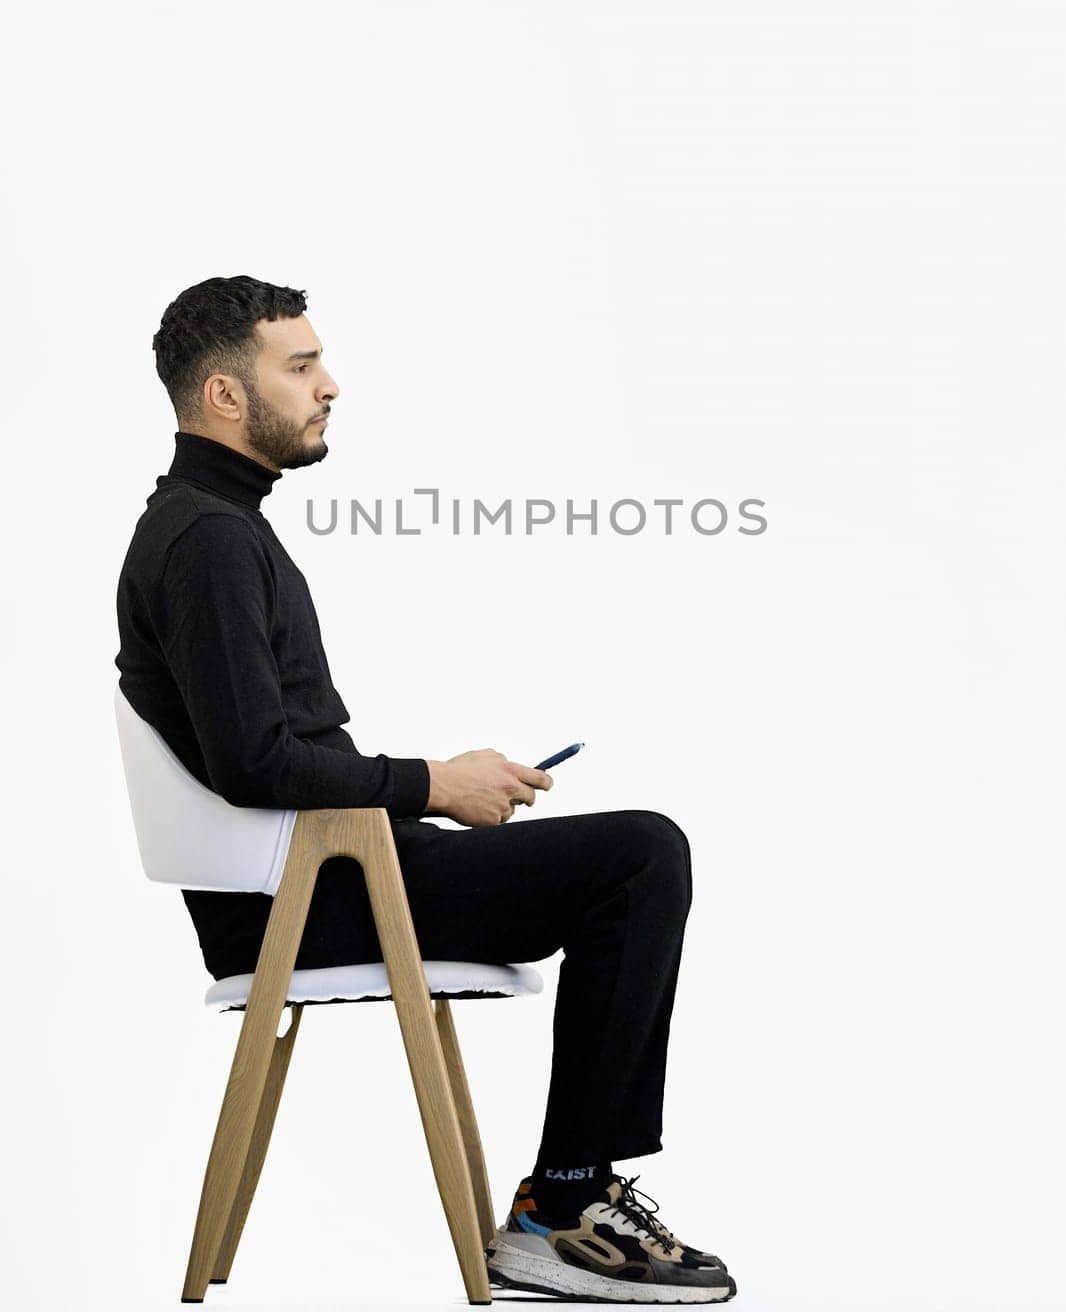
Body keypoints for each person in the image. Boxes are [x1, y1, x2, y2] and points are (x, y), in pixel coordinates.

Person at [114, 273, 737, 1305]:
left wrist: (431, 788)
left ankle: (568, 1195)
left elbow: (265, 752)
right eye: (301, 366)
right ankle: (564, 1205)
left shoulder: (214, 526)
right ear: (226, 395)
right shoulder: (207, 540)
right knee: (640, 854)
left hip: (330, 871)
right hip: (303, 898)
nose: (330, 386)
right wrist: (436, 783)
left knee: (633, 854)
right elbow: (253, 761)